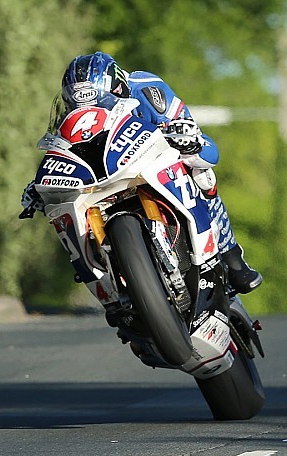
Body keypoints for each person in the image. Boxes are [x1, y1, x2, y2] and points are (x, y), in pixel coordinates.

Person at [21, 51, 262, 294]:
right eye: (78, 106)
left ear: (118, 88)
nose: (90, 112)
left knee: (202, 173)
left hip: (155, 165)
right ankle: (109, 290)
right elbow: (65, 151)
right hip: (104, 179)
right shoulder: (69, 118)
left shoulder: (149, 91)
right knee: (62, 214)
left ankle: (231, 257)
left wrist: (189, 139)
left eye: (98, 103)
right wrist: (42, 185)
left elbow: (209, 149)